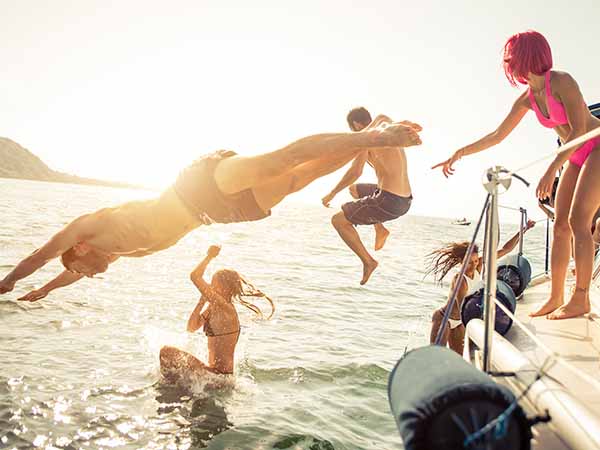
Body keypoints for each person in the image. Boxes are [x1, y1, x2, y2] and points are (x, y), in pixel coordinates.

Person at [1, 123, 422, 301]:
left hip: (197, 186)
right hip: (215, 214)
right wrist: (44, 291)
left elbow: (41, 257)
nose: (89, 275)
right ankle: (364, 142)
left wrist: (8, 283)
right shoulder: (121, 253)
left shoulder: (92, 224)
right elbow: (64, 272)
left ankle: (376, 135)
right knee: (299, 179)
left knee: (282, 160)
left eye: (83, 270)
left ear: (78, 248)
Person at [432, 30, 600, 320]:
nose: (508, 62)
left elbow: (579, 130)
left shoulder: (562, 81)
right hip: (572, 155)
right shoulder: (528, 99)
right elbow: (497, 135)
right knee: (560, 226)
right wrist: (460, 152)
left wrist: (551, 170)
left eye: (511, 56)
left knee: (577, 222)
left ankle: (581, 298)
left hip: (595, 145)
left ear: (525, 56)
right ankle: (556, 296)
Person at [322, 107, 422, 285]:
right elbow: (391, 122)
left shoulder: (367, 140)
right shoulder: (385, 123)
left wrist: (331, 194)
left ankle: (368, 261)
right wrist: (408, 125)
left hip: (388, 201)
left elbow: (355, 171)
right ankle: (379, 229)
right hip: (405, 199)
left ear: (356, 125)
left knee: (338, 221)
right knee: (354, 190)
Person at [159, 245, 274, 381]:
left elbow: (195, 276)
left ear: (226, 288)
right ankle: (173, 386)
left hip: (219, 377)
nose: (210, 288)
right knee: (169, 356)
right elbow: (191, 328)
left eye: (214, 284)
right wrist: (201, 302)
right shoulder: (212, 309)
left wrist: (209, 257)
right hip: (213, 375)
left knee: (167, 351)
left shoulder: (227, 309)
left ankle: (171, 387)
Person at [428, 220, 535, 354]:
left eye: (475, 260)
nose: (473, 265)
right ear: (461, 262)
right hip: (444, 318)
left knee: (460, 358)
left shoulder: (479, 265)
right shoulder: (460, 280)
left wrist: (524, 229)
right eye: (469, 262)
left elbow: (506, 249)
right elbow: (464, 309)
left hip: (459, 322)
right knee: (437, 355)